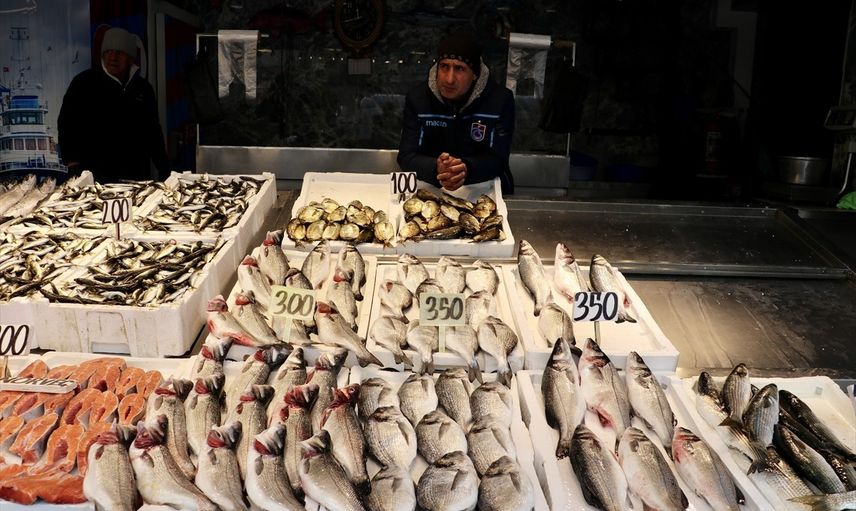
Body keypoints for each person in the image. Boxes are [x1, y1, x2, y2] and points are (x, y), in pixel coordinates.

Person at [397, 30, 515, 194]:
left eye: (459, 69)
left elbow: (498, 159)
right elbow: (406, 156)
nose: (449, 79)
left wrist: (466, 169)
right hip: (431, 189)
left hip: (485, 191)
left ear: (475, 74)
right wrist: (436, 167)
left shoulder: (500, 100)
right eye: (444, 67)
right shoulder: (417, 99)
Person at [58, 27, 168, 183]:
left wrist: (164, 169)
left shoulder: (143, 89)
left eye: (119, 52)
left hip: (136, 177)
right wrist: (72, 163)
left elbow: (153, 131)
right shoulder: (83, 83)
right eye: (108, 51)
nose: (113, 57)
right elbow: (66, 124)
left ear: (130, 58)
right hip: (94, 178)